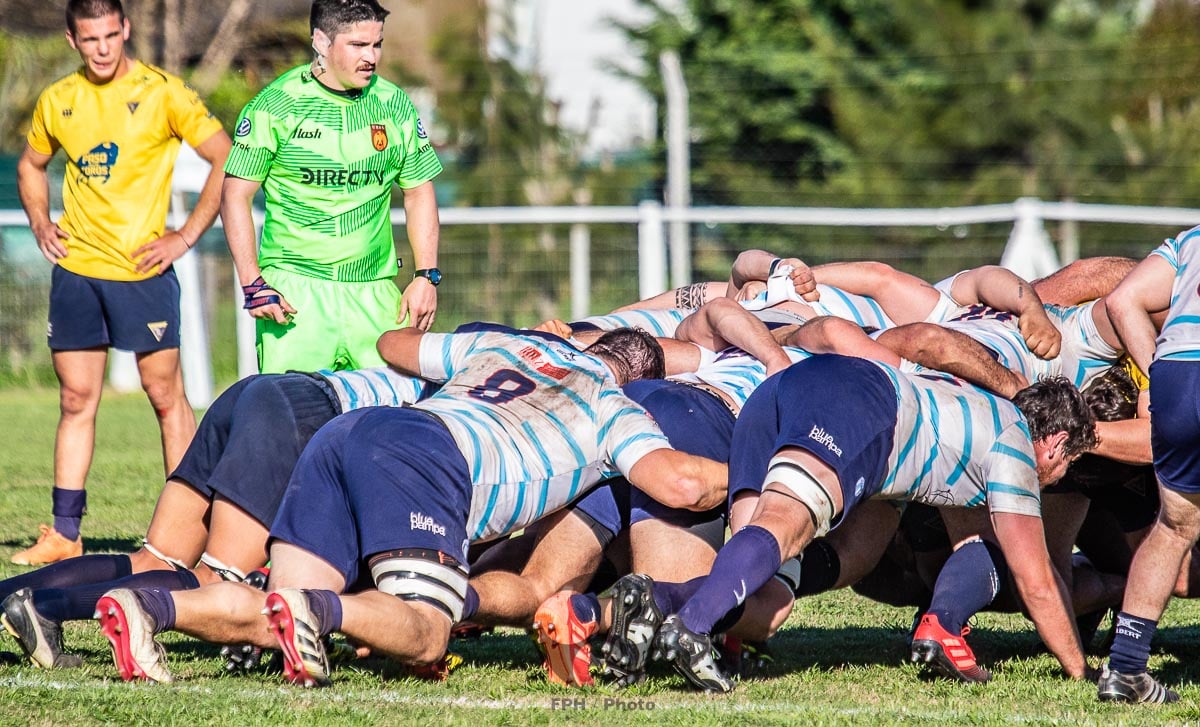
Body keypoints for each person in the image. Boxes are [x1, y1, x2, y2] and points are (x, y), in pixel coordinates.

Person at [94, 326, 728, 685]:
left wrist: (496, 342)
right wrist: (763, 477)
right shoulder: (617, 408)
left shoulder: (507, 348)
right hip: (428, 460)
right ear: (641, 380)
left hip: (352, 431)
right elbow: (678, 486)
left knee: (277, 617)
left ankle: (149, 603)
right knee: (427, 634)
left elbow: (393, 345)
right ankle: (318, 608)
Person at [605, 356, 1097, 692]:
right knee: (784, 525)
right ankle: (691, 629)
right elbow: (1035, 578)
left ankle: (651, 601)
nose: (1057, 479)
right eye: (1066, 464)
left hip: (785, 389)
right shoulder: (1015, 446)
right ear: (1054, 443)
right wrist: (1079, 669)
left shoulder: (981, 417)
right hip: (859, 401)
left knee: (770, 592)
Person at [0, 367, 426, 670]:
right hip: (301, 415)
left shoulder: (461, 374)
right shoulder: (458, 427)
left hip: (264, 391)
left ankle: (9, 597)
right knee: (216, 578)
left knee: (154, 559)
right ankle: (46, 608)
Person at [13, 0, 231, 565]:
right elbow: (30, 165)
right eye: (91, 39)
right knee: (75, 397)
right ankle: (65, 534)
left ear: (125, 29)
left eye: (111, 35)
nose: (103, 48)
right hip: (78, 272)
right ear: (72, 40)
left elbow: (225, 157)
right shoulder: (58, 100)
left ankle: (190, 531)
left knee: (166, 397)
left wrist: (183, 237)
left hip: (142, 273)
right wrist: (40, 221)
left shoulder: (164, 92)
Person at [222, 0, 443, 374]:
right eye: (358, 45)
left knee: (390, 422)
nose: (371, 56)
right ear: (321, 42)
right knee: (296, 425)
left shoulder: (394, 104)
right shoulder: (275, 105)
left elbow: (419, 191)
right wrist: (252, 283)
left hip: (374, 292)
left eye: (377, 44)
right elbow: (234, 196)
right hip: (296, 295)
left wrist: (426, 275)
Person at [1096, 225, 1200, 704]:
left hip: (1177, 373)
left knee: (1176, 526)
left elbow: (1122, 301)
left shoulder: (1190, 239)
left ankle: (1126, 669)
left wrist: (1155, 376)